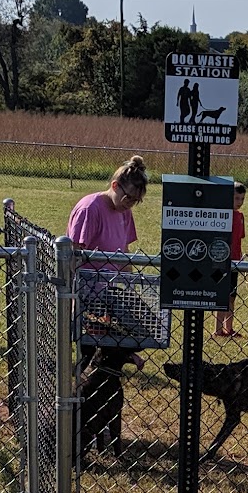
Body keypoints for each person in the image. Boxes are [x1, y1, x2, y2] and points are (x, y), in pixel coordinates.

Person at [66, 155, 149, 454]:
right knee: (89, 358)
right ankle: (79, 422)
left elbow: (124, 254)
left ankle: (102, 421)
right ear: (114, 185)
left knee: (127, 347)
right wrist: (81, 304)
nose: (130, 204)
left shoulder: (124, 213)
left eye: (136, 201)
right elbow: (73, 256)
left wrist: (128, 290)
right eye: (128, 197)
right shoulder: (91, 208)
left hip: (112, 296)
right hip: (88, 297)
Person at [214, 182, 246, 338]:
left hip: (235, 262)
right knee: (221, 296)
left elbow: (239, 239)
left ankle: (229, 328)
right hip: (222, 262)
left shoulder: (240, 216)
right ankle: (218, 329)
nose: (239, 202)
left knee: (232, 296)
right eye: (236, 198)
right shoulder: (223, 216)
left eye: (241, 199)